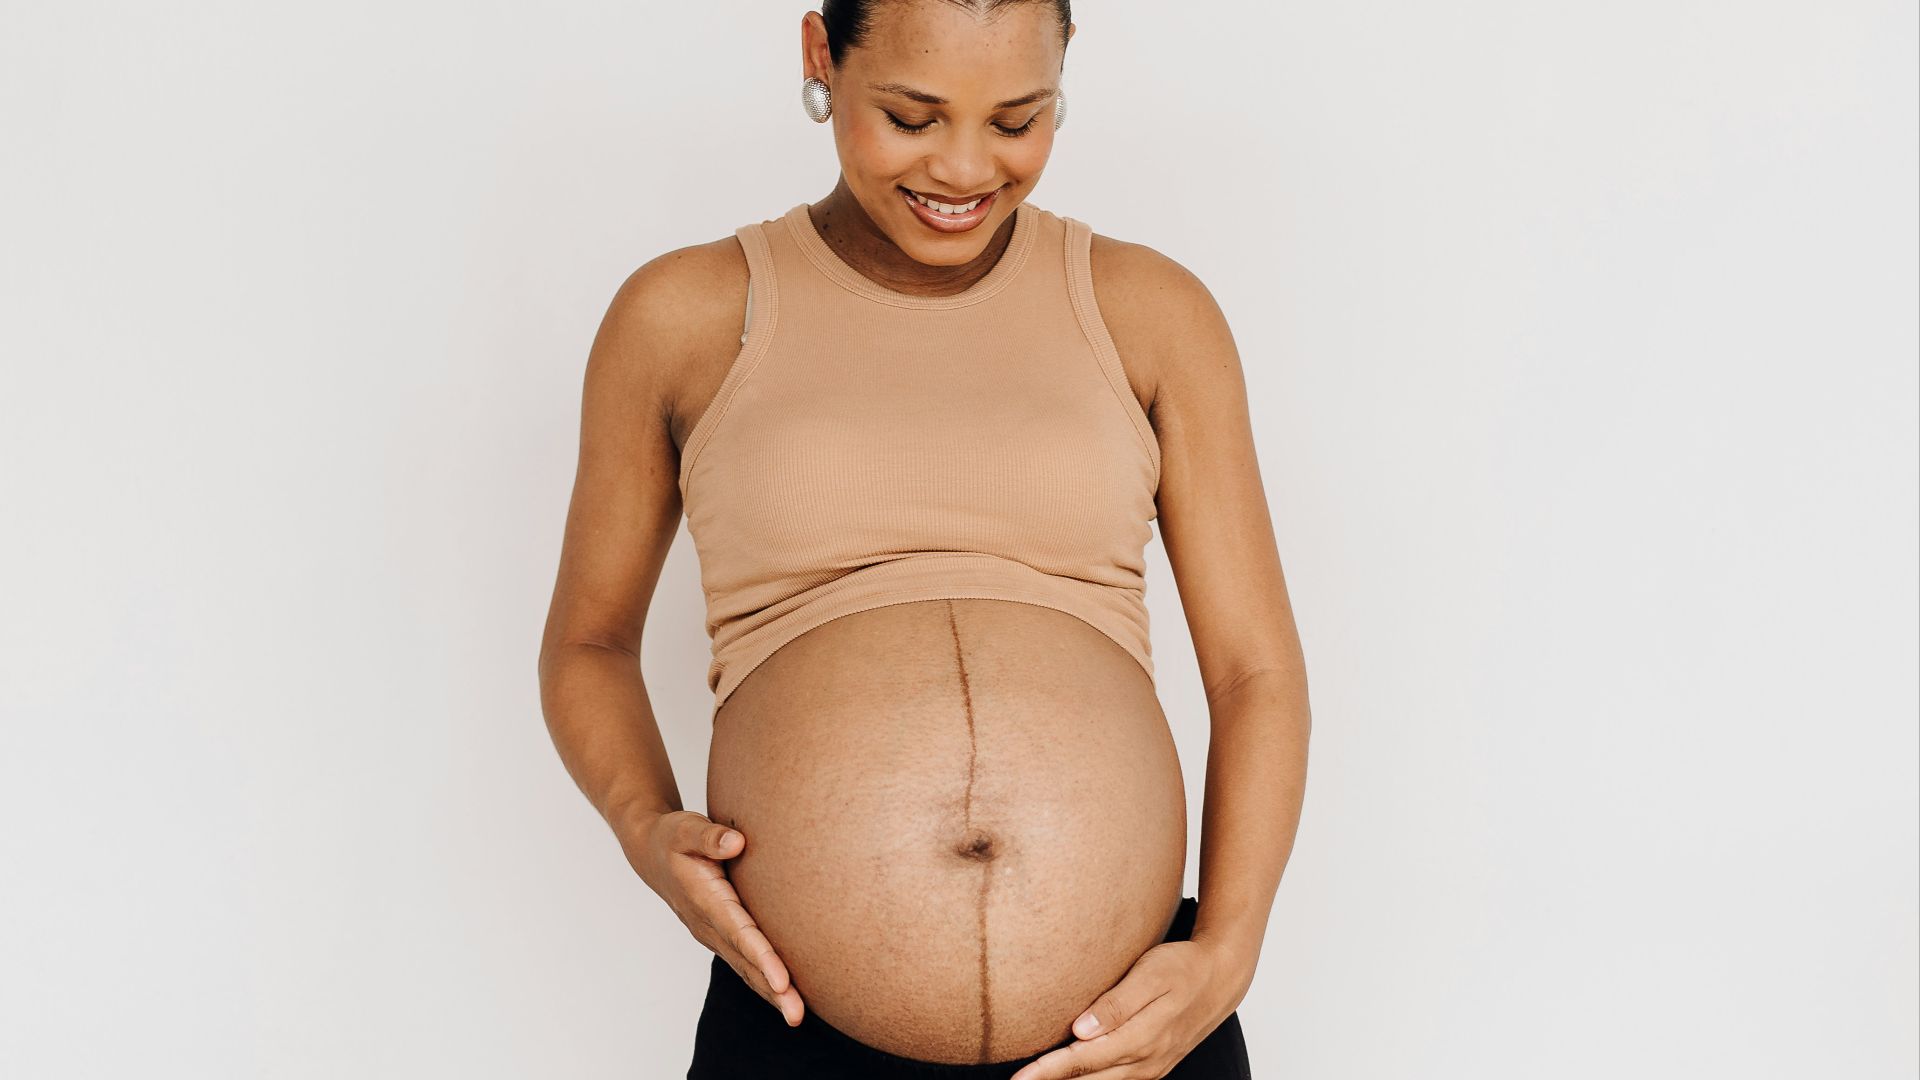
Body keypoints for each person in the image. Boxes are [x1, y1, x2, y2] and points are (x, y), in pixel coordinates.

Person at [536, 2, 1311, 1076]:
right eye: (911, 115)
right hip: (801, 1026)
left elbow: (1255, 669)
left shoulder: (1150, 310)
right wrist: (643, 828)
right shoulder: (687, 314)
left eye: (1017, 119)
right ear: (820, 56)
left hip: (1133, 1030)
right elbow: (590, 642)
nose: (963, 168)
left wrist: (1226, 954)